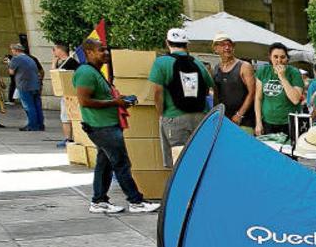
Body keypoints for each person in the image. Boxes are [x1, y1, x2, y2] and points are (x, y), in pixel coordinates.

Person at [73, 39, 158, 214]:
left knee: (104, 164)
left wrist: (120, 100)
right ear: (88, 52)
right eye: (100, 50)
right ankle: (136, 201)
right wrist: (115, 102)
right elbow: (84, 101)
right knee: (121, 163)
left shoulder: (95, 72)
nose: (105, 53)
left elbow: (98, 97)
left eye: (106, 49)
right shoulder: (86, 73)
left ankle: (99, 200)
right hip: (102, 127)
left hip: (105, 125)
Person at [150, 28, 215, 151]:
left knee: (179, 157)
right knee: (200, 154)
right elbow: (211, 86)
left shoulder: (161, 63)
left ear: (167, 43)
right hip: (200, 116)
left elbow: (158, 92)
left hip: (174, 116)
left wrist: (161, 114)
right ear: (187, 44)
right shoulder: (198, 63)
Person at [255, 42, 305, 135]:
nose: (279, 60)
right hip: (267, 122)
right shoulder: (263, 71)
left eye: (282, 57)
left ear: (287, 58)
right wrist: (258, 122)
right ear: (270, 57)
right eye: (275, 57)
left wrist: (282, 77)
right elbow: (258, 98)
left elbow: (295, 99)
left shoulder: (294, 73)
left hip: (289, 122)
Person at [210, 33, 257, 132]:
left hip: (245, 121)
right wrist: (216, 115)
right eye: (223, 45)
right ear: (215, 48)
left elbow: (252, 92)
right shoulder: (216, 69)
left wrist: (239, 114)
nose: (227, 48)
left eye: (229, 45)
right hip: (224, 120)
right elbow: (216, 96)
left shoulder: (244, 66)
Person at [7, 44, 43, 131]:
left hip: (24, 85)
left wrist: (9, 63)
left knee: (29, 106)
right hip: (35, 85)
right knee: (37, 105)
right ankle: (40, 125)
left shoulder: (16, 59)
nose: (12, 51)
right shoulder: (30, 58)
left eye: (12, 50)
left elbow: (11, 72)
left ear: (16, 50)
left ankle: (32, 125)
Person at [52, 44, 79, 147]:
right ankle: (69, 137)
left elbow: (55, 75)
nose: (53, 53)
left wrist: (54, 63)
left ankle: (69, 138)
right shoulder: (65, 62)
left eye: (54, 50)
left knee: (66, 116)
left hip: (70, 94)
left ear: (60, 50)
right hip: (67, 94)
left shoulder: (69, 62)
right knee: (66, 116)